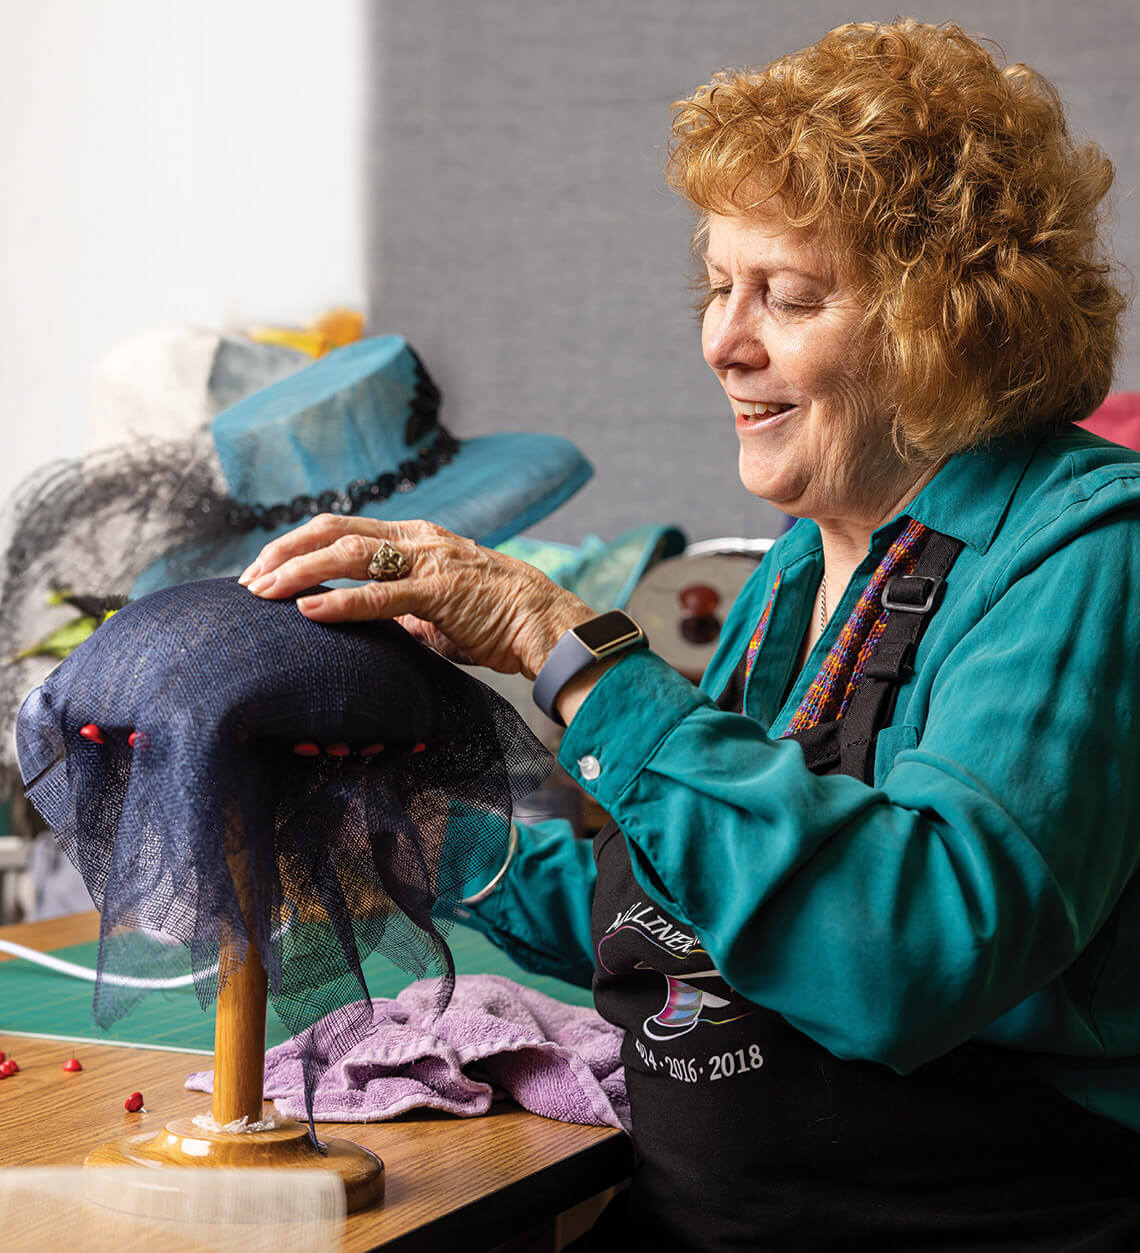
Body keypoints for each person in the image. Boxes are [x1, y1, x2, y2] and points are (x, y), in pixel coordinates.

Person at [241, 18, 1140, 1250]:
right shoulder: (799, 568)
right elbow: (700, 906)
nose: (725, 340)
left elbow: (913, 946)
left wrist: (566, 647)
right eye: (719, 285)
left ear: (954, 317)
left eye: (790, 295)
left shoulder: (1089, 547)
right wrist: (427, 846)